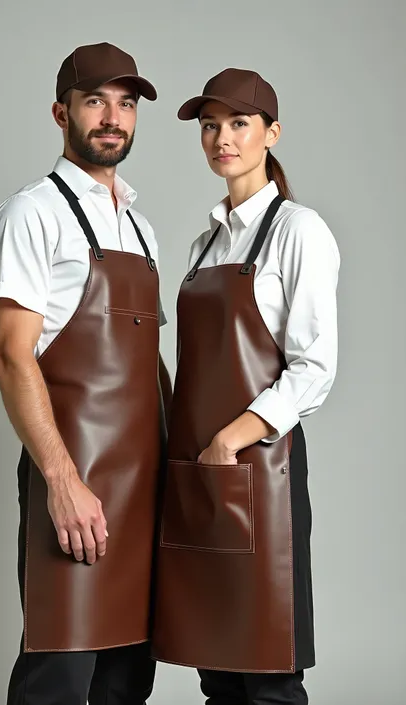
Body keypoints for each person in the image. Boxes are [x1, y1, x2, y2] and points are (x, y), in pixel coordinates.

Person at [0, 42, 171, 705]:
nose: (112, 118)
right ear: (61, 112)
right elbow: (12, 354)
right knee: (58, 675)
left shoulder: (143, 228)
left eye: (125, 103)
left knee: (126, 682)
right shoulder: (32, 213)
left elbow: (149, 371)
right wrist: (60, 480)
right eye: (96, 102)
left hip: (142, 490)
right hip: (74, 480)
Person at [153, 68, 340, 704]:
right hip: (199, 471)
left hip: (260, 472)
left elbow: (313, 367)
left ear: (272, 133)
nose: (221, 138)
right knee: (216, 668)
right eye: (209, 126)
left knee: (266, 672)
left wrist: (230, 440)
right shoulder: (205, 244)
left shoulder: (299, 231)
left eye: (238, 123)